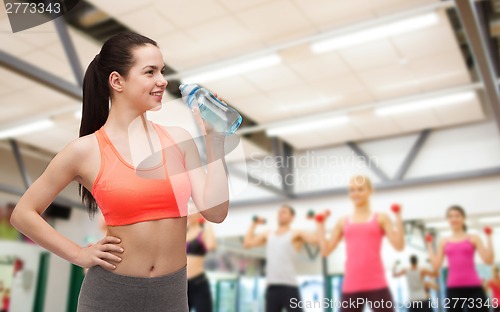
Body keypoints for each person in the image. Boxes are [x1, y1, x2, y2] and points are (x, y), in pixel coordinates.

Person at [10, 32, 230, 312]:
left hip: (171, 296)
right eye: (150, 72)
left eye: (162, 71)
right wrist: (79, 254)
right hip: (110, 295)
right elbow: (23, 213)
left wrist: (215, 139)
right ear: (117, 81)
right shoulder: (85, 150)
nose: (162, 80)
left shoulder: (178, 138)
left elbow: (216, 212)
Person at [317, 175, 404, 312]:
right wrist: (321, 226)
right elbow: (325, 251)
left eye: (360, 189)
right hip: (351, 284)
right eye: (352, 190)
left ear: (370, 191)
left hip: (377, 282)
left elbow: (399, 246)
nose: (355, 193)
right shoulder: (342, 221)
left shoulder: (380, 218)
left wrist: (398, 217)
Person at [243, 204, 319, 312]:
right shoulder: (268, 234)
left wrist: (317, 220)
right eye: (279, 212)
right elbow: (247, 244)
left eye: (284, 212)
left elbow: (317, 240)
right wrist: (253, 224)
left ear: (292, 217)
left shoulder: (297, 234)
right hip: (272, 288)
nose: (280, 214)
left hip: (290, 287)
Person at [427, 205, 494, 312]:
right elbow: (436, 265)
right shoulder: (444, 241)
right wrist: (429, 245)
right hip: (453, 288)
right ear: (447, 220)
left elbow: (488, 260)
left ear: (463, 218)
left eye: (457, 216)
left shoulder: (473, 238)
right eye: (450, 216)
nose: (454, 219)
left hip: (474, 287)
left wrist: (489, 238)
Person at [186, 212, 216, 312]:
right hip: (182, 285)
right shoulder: (183, 232)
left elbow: (211, 246)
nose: (189, 214)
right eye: (188, 211)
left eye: (192, 211)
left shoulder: (203, 232)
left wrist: (208, 223)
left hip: (198, 282)